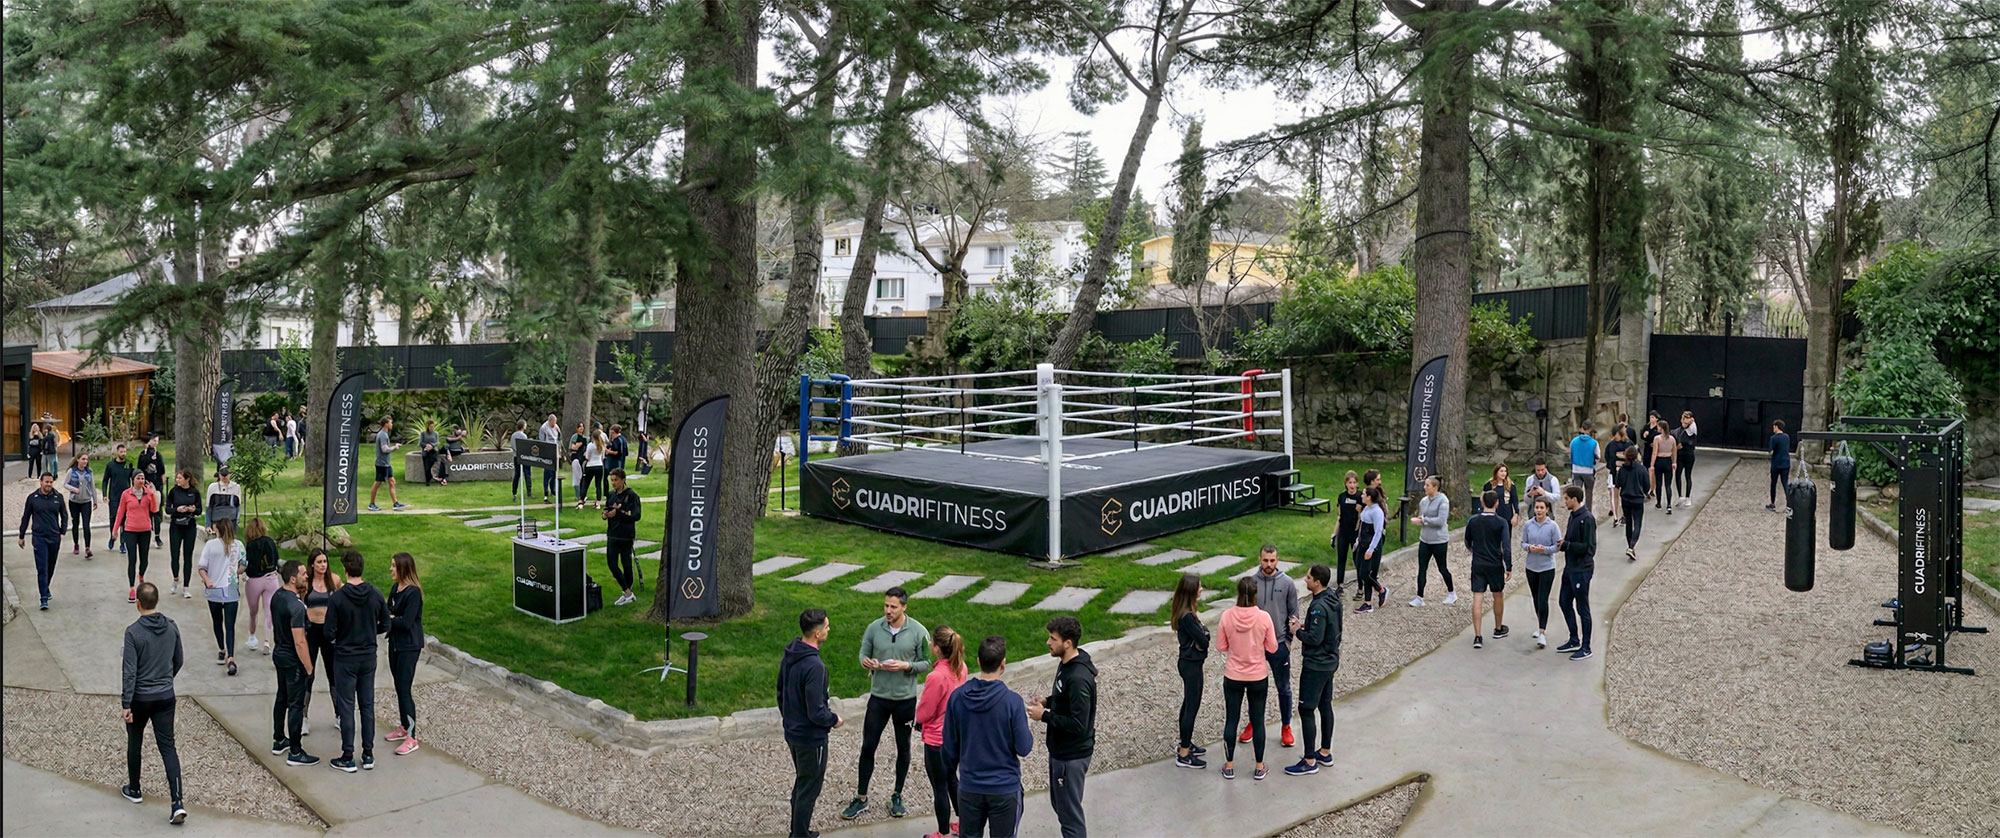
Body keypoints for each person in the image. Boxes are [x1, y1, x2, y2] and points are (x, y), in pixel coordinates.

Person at [840, 587, 932, 821]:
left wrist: (906, 666)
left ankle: (897, 794)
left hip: (904, 701)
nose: (888, 611)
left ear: (904, 607)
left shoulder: (918, 631)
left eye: (893, 607)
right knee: (868, 746)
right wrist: (866, 662)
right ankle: (861, 797)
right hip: (878, 699)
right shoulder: (874, 628)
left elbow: (926, 663)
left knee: (904, 748)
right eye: (886, 606)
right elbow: (863, 652)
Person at [942, 635, 1034, 838]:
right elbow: (1024, 747)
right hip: (1004, 789)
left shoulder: (957, 698)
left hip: (969, 788)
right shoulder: (1012, 702)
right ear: (1003, 663)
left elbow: (948, 749)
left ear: (978, 661)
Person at [120, 582, 188, 825]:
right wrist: (166, 678)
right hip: (165, 696)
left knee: (135, 742)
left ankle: (135, 788)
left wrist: (126, 703)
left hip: (139, 698)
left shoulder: (133, 632)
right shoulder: (171, 627)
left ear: (137, 603)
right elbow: (178, 659)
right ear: (157, 601)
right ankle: (177, 802)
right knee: (168, 747)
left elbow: (129, 672)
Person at [1028, 615, 1095, 838]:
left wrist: (1044, 715)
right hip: (1060, 753)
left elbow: (1079, 723)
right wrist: (1048, 701)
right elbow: (1063, 697)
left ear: (1068, 643)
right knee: (1062, 806)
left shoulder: (1078, 678)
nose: (1048, 642)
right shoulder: (1067, 664)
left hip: (1071, 756)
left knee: (1070, 816)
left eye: (1052, 639)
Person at [322, 550, 388, 772]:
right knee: (367, 705)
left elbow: (328, 632)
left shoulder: (338, 598)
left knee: (347, 706)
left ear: (345, 570)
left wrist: (341, 636)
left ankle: (348, 755)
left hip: (345, 657)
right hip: (368, 656)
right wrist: (370, 631)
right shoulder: (376, 594)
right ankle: (368, 754)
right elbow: (386, 625)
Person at [778, 609, 843, 838]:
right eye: (826, 627)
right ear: (817, 633)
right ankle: (800, 835)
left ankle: (798, 830)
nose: (828, 629)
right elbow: (817, 712)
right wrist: (834, 720)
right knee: (809, 788)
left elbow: (780, 692)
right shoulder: (815, 667)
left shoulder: (791, 653)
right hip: (810, 738)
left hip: (793, 732)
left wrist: (789, 719)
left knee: (802, 782)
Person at [1216, 576, 1277, 781]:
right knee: (1258, 720)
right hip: (1257, 675)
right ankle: (1259, 766)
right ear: (1255, 594)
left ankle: (1229, 764)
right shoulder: (1264, 618)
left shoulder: (1226, 616)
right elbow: (1272, 647)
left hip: (1233, 674)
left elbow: (1221, 646)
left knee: (1231, 719)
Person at [1241, 544, 1298, 749]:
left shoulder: (1288, 583)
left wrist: (1289, 642)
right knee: (1254, 687)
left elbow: (1294, 613)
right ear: (1259, 559)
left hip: (1279, 643)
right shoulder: (1251, 582)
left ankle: (1286, 726)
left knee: (1283, 688)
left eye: (1272, 560)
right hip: (1255, 645)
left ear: (1277, 560)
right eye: (1265, 560)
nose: (1268, 564)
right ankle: (1253, 723)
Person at [1286, 563, 1341, 776]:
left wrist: (1297, 630)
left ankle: (1309, 761)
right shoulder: (1333, 599)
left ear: (1317, 581)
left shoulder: (1318, 607)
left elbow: (1314, 638)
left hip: (1316, 665)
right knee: (1325, 704)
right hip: (1330, 661)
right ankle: (1325, 752)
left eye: (1308, 577)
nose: (1305, 580)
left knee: (1306, 709)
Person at [913, 626, 966, 838]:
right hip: (954, 737)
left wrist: (917, 719)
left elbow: (926, 712)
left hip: (936, 741)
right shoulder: (960, 668)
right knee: (953, 780)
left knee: (940, 787)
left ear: (936, 648)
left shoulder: (936, 677)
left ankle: (942, 833)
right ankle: (963, 823)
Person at [270, 560, 319, 766]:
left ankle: (279, 739)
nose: (306, 576)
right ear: (292, 579)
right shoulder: (296, 606)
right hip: (293, 660)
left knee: (282, 696)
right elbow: (300, 641)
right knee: (296, 704)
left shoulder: (277, 597)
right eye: (302, 574)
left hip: (280, 654)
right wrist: (309, 667)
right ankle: (296, 752)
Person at [301, 549, 343, 736]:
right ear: (312, 564)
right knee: (308, 674)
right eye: (319, 562)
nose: (323, 565)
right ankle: (303, 717)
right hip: (311, 630)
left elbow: (344, 601)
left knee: (333, 673)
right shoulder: (306, 583)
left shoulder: (334, 580)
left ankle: (340, 714)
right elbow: (300, 605)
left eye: (325, 561)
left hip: (329, 630)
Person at [1171, 573, 1210, 769]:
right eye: (1199, 587)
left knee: (1188, 704)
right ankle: (1184, 753)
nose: (1202, 589)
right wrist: (1204, 637)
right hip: (1191, 664)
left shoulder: (1186, 611)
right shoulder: (1187, 617)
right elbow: (1204, 640)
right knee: (1191, 707)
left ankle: (1185, 743)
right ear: (1192, 591)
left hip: (1190, 663)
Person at [386, 552, 424, 756]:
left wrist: (391, 618)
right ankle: (403, 725)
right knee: (398, 686)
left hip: (409, 646)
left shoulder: (413, 593)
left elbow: (406, 622)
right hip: (395, 644)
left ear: (403, 568)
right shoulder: (395, 588)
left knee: (404, 688)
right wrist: (391, 617)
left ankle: (412, 737)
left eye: (394, 566)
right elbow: (387, 614)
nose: (391, 569)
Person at [198, 518, 247, 676]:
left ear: (217, 529)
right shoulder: (239, 545)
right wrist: (235, 572)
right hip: (231, 589)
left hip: (214, 590)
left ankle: (222, 649)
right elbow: (244, 564)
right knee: (230, 625)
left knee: (217, 621)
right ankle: (231, 657)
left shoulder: (210, 545)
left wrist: (207, 580)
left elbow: (202, 567)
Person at [1464, 490, 1511, 649]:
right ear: (1497, 503)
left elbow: (1467, 541)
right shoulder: (1501, 522)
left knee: (1478, 597)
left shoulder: (1473, 521)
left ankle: (1478, 635)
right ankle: (1498, 628)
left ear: (1482, 503)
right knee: (1497, 595)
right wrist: (1508, 565)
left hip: (1478, 562)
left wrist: (1474, 550)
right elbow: (1506, 546)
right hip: (1495, 563)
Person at [1556, 485, 1597, 660]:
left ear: (1574, 499)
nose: (1564, 501)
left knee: (1582, 608)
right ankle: (1574, 639)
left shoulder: (1586, 519)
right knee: (1564, 602)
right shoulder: (1573, 516)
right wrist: (1565, 542)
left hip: (1582, 570)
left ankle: (1586, 646)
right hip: (1570, 568)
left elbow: (1589, 548)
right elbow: (1572, 539)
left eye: (1566, 499)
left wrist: (1567, 546)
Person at [19, 471, 70, 610]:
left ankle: (46, 587)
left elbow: (64, 515)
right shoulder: (33, 498)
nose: (48, 484)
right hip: (39, 537)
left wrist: (62, 531)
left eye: (51, 482)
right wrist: (21, 535)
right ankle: (43, 598)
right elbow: (26, 517)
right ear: (40, 482)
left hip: (54, 537)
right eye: (46, 482)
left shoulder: (58, 497)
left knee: (51, 566)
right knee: (42, 568)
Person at [1520, 497, 1563, 650]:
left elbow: (1557, 546)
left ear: (1547, 509)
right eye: (1536, 507)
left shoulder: (1552, 526)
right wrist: (1530, 548)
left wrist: (1544, 550)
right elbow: (1523, 543)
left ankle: (1543, 632)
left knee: (1543, 598)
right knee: (1536, 598)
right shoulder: (1528, 525)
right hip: (1531, 567)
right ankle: (1540, 625)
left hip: (1547, 568)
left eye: (1541, 508)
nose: (1538, 510)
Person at [113, 473, 160, 603]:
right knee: (132, 559)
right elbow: (120, 512)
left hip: (145, 530)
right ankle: (132, 587)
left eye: (142, 478)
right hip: (130, 530)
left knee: (144, 559)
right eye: (138, 478)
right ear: (133, 480)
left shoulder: (148, 494)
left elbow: (154, 510)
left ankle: (141, 575)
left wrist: (152, 494)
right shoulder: (126, 494)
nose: (140, 481)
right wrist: (115, 529)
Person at [1408, 476, 1455, 607]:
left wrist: (1423, 520)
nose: (1425, 487)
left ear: (1435, 487)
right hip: (1425, 539)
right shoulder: (1423, 501)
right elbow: (1423, 517)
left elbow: (1440, 521)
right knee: (1422, 568)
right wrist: (1421, 520)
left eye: (1427, 485)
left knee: (1442, 568)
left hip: (1439, 540)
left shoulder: (1443, 500)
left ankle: (1451, 592)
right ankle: (1419, 596)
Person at [601, 469, 642, 604]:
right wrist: (605, 515)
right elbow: (608, 509)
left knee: (626, 564)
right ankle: (628, 593)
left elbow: (636, 516)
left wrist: (618, 514)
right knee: (612, 564)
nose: (613, 483)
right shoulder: (611, 495)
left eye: (616, 480)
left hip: (626, 535)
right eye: (611, 480)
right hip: (612, 533)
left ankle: (627, 592)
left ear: (623, 480)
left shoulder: (632, 496)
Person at [242, 518, 282, 655]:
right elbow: (276, 559)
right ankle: (267, 642)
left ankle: (252, 637)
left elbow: (248, 564)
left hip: (254, 580)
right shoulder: (270, 542)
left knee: (253, 611)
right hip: (271, 579)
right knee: (269, 612)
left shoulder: (250, 545)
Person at [165, 470, 202, 598]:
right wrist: (177, 509)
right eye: (177, 478)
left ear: (187, 479)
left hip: (189, 525)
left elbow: (199, 510)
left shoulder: (194, 492)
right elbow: (167, 509)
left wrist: (192, 509)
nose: (177, 480)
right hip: (176, 525)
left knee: (188, 556)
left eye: (180, 478)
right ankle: (175, 579)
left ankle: (186, 586)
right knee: (174, 554)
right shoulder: (173, 491)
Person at [1353, 487, 1388, 612]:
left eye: (1363, 494)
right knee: (1361, 571)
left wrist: (1371, 549)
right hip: (1362, 545)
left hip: (1371, 547)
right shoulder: (1367, 509)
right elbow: (1362, 527)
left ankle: (1381, 590)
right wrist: (1358, 541)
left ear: (1369, 497)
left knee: (1366, 573)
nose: (1361, 496)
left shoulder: (1377, 511)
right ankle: (1368, 603)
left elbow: (1378, 532)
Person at [1483, 463, 1520, 572]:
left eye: (1505, 471)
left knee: (1506, 540)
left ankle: (1507, 562)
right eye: (1501, 471)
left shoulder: (1510, 485)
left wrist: (1516, 515)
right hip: (1494, 515)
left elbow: (1515, 501)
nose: (1503, 473)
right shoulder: (1489, 485)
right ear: (1496, 472)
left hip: (1506, 516)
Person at [1616, 445, 1649, 562]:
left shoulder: (1622, 470)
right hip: (1638, 499)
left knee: (1628, 523)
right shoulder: (1642, 469)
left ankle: (1630, 545)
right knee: (1638, 523)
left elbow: (1618, 484)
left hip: (1625, 499)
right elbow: (1647, 486)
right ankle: (1631, 546)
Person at [63, 454, 99, 559]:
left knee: (86, 525)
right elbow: (65, 484)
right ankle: (76, 544)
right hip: (74, 501)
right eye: (83, 459)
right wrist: (73, 489)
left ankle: (88, 547)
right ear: (78, 460)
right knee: (75, 523)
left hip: (86, 501)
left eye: (86, 459)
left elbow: (92, 486)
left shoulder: (89, 472)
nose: (85, 461)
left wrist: (95, 500)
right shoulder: (72, 471)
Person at [1332, 471, 1362, 591]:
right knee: (1341, 558)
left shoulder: (1360, 496)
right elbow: (1339, 516)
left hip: (1355, 532)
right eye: (1350, 482)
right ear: (1346, 483)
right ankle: (1340, 585)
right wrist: (1334, 533)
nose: (1352, 485)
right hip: (1343, 531)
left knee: (1357, 560)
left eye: (1354, 482)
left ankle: (1361, 586)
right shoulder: (1342, 497)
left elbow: (1362, 517)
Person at [369, 416, 406, 511]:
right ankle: (371, 504)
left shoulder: (384, 434)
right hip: (381, 464)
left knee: (392, 482)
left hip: (386, 464)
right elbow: (384, 449)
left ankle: (395, 504)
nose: (392, 424)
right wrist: (395, 447)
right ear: (386, 424)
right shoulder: (382, 435)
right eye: (390, 423)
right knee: (377, 483)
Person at [104, 443, 135, 555]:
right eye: (121, 452)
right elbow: (105, 480)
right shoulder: (111, 465)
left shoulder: (128, 465)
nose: (123, 454)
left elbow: (134, 478)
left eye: (125, 452)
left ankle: (123, 543)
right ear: (117, 452)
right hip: (114, 496)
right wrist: (105, 494)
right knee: (113, 518)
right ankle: (112, 536)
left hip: (126, 497)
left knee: (125, 521)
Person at [138, 434, 166, 545]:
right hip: (145, 487)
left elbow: (162, 473)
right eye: (154, 441)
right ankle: (147, 534)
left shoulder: (158, 455)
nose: (155, 443)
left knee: (156, 512)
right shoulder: (143, 455)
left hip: (155, 488)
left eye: (157, 441)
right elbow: (139, 470)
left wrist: (157, 487)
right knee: (146, 513)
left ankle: (157, 536)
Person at [1603, 425, 1632, 528]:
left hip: (1623, 472)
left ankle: (1623, 515)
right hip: (1616, 472)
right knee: (1615, 494)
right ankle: (1616, 517)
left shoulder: (1615, 445)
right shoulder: (1613, 445)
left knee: (1623, 495)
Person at [1650, 415, 1678, 513]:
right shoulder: (1672, 439)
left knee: (1658, 483)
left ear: (1661, 428)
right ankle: (1669, 504)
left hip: (1659, 460)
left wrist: (1652, 464)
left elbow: (1654, 452)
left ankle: (1659, 503)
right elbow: (1674, 451)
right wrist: (1674, 462)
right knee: (1668, 484)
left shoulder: (1657, 438)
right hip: (1668, 461)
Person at [205, 465, 244, 532]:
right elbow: (209, 507)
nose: (224, 477)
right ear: (219, 475)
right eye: (222, 475)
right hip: (216, 520)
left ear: (230, 475)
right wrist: (208, 524)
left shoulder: (236, 487)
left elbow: (238, 506)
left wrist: (237, 522)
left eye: (226, 475)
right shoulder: (212, 487)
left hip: (231, 520)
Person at [1568, 421, 1600, 500]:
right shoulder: (1594, 443)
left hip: (1576, 470)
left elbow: (1570, 453)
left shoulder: (1574, 441)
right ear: (1590, 430)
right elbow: (1598, 456)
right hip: (1588, 470)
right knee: (1589, 492)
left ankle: (1577, 509)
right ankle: (1588, 511)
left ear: (1582, 428)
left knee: (1576, 494)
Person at [1673, 411, 1698, 508]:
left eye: (1687, 420)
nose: (1684, 422)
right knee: (1677, 475)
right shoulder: (1678, 431)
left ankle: (1688, 497)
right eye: (1683, 419)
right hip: (1680, 456)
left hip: (1689, 455)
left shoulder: (1692, 430)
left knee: (1688, 475)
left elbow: (1692, 425)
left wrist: (1691, 420)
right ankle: (1680, 496)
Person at [578, 427, 606, 508]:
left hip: (590, 465)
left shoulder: (590, 445)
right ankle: (598, 502)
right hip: (599, 465)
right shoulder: (602, 445)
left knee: (585, 483)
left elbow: (587, 456)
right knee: (598, 484)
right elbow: (603, 457)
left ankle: (581, 500)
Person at [1767, 419, 1791, 511]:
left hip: (1776, 463)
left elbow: (1770, 450)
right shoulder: (1787, 437)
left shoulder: (1774, 438)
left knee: (1773, 483)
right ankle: (1789, 503)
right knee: (1785, 483)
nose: (1773, 429)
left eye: (1774, 427)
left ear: (1777, 427)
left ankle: (1773, 503)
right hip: (1786, 463)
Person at [539, 414, 562, 502]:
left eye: (556, 422)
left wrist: (559, 452)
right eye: (553, 422)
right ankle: (546, 492)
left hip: (555, 452)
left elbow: (559, 439)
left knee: (554, 473)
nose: (555, 423)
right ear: (550, 421)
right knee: (547, 473)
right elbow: (542, 441)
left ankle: (553, 490)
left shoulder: (556, 427)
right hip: (547, 453)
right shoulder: (544, 428)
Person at [568, 421, 589, 505]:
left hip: (583, 459)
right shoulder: (574, 437)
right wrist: (579, 444)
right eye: (580, 427)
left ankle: (583, 494)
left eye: (582, 427)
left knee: (583, 477)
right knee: (577, 477)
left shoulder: (586, 438)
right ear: (577, 428)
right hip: (576, 458)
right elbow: (573, 447)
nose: (581, 428)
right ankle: (578, 495)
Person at [510, 419, 532, 501]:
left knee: (517, 475)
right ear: (523, 427)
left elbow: (513, 446)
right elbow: (525, 447)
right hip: (523, 457)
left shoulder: (513, 435)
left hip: (516, 456)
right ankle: (529, 492)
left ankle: (514, 492)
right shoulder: (523, 436)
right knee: (527, 474)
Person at [419, 419, 441, 485]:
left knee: (431, 464)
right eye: (430, 426)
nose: (432, 428)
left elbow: (437, 442)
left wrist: (432, 445)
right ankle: (427, 481)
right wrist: (426, 446)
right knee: (426, 466)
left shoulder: (436, 433)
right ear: (428, 426)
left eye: (433, 426)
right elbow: (420, 442)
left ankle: (431, 476)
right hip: (426, 451)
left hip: (433, 451)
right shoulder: (423, 433)